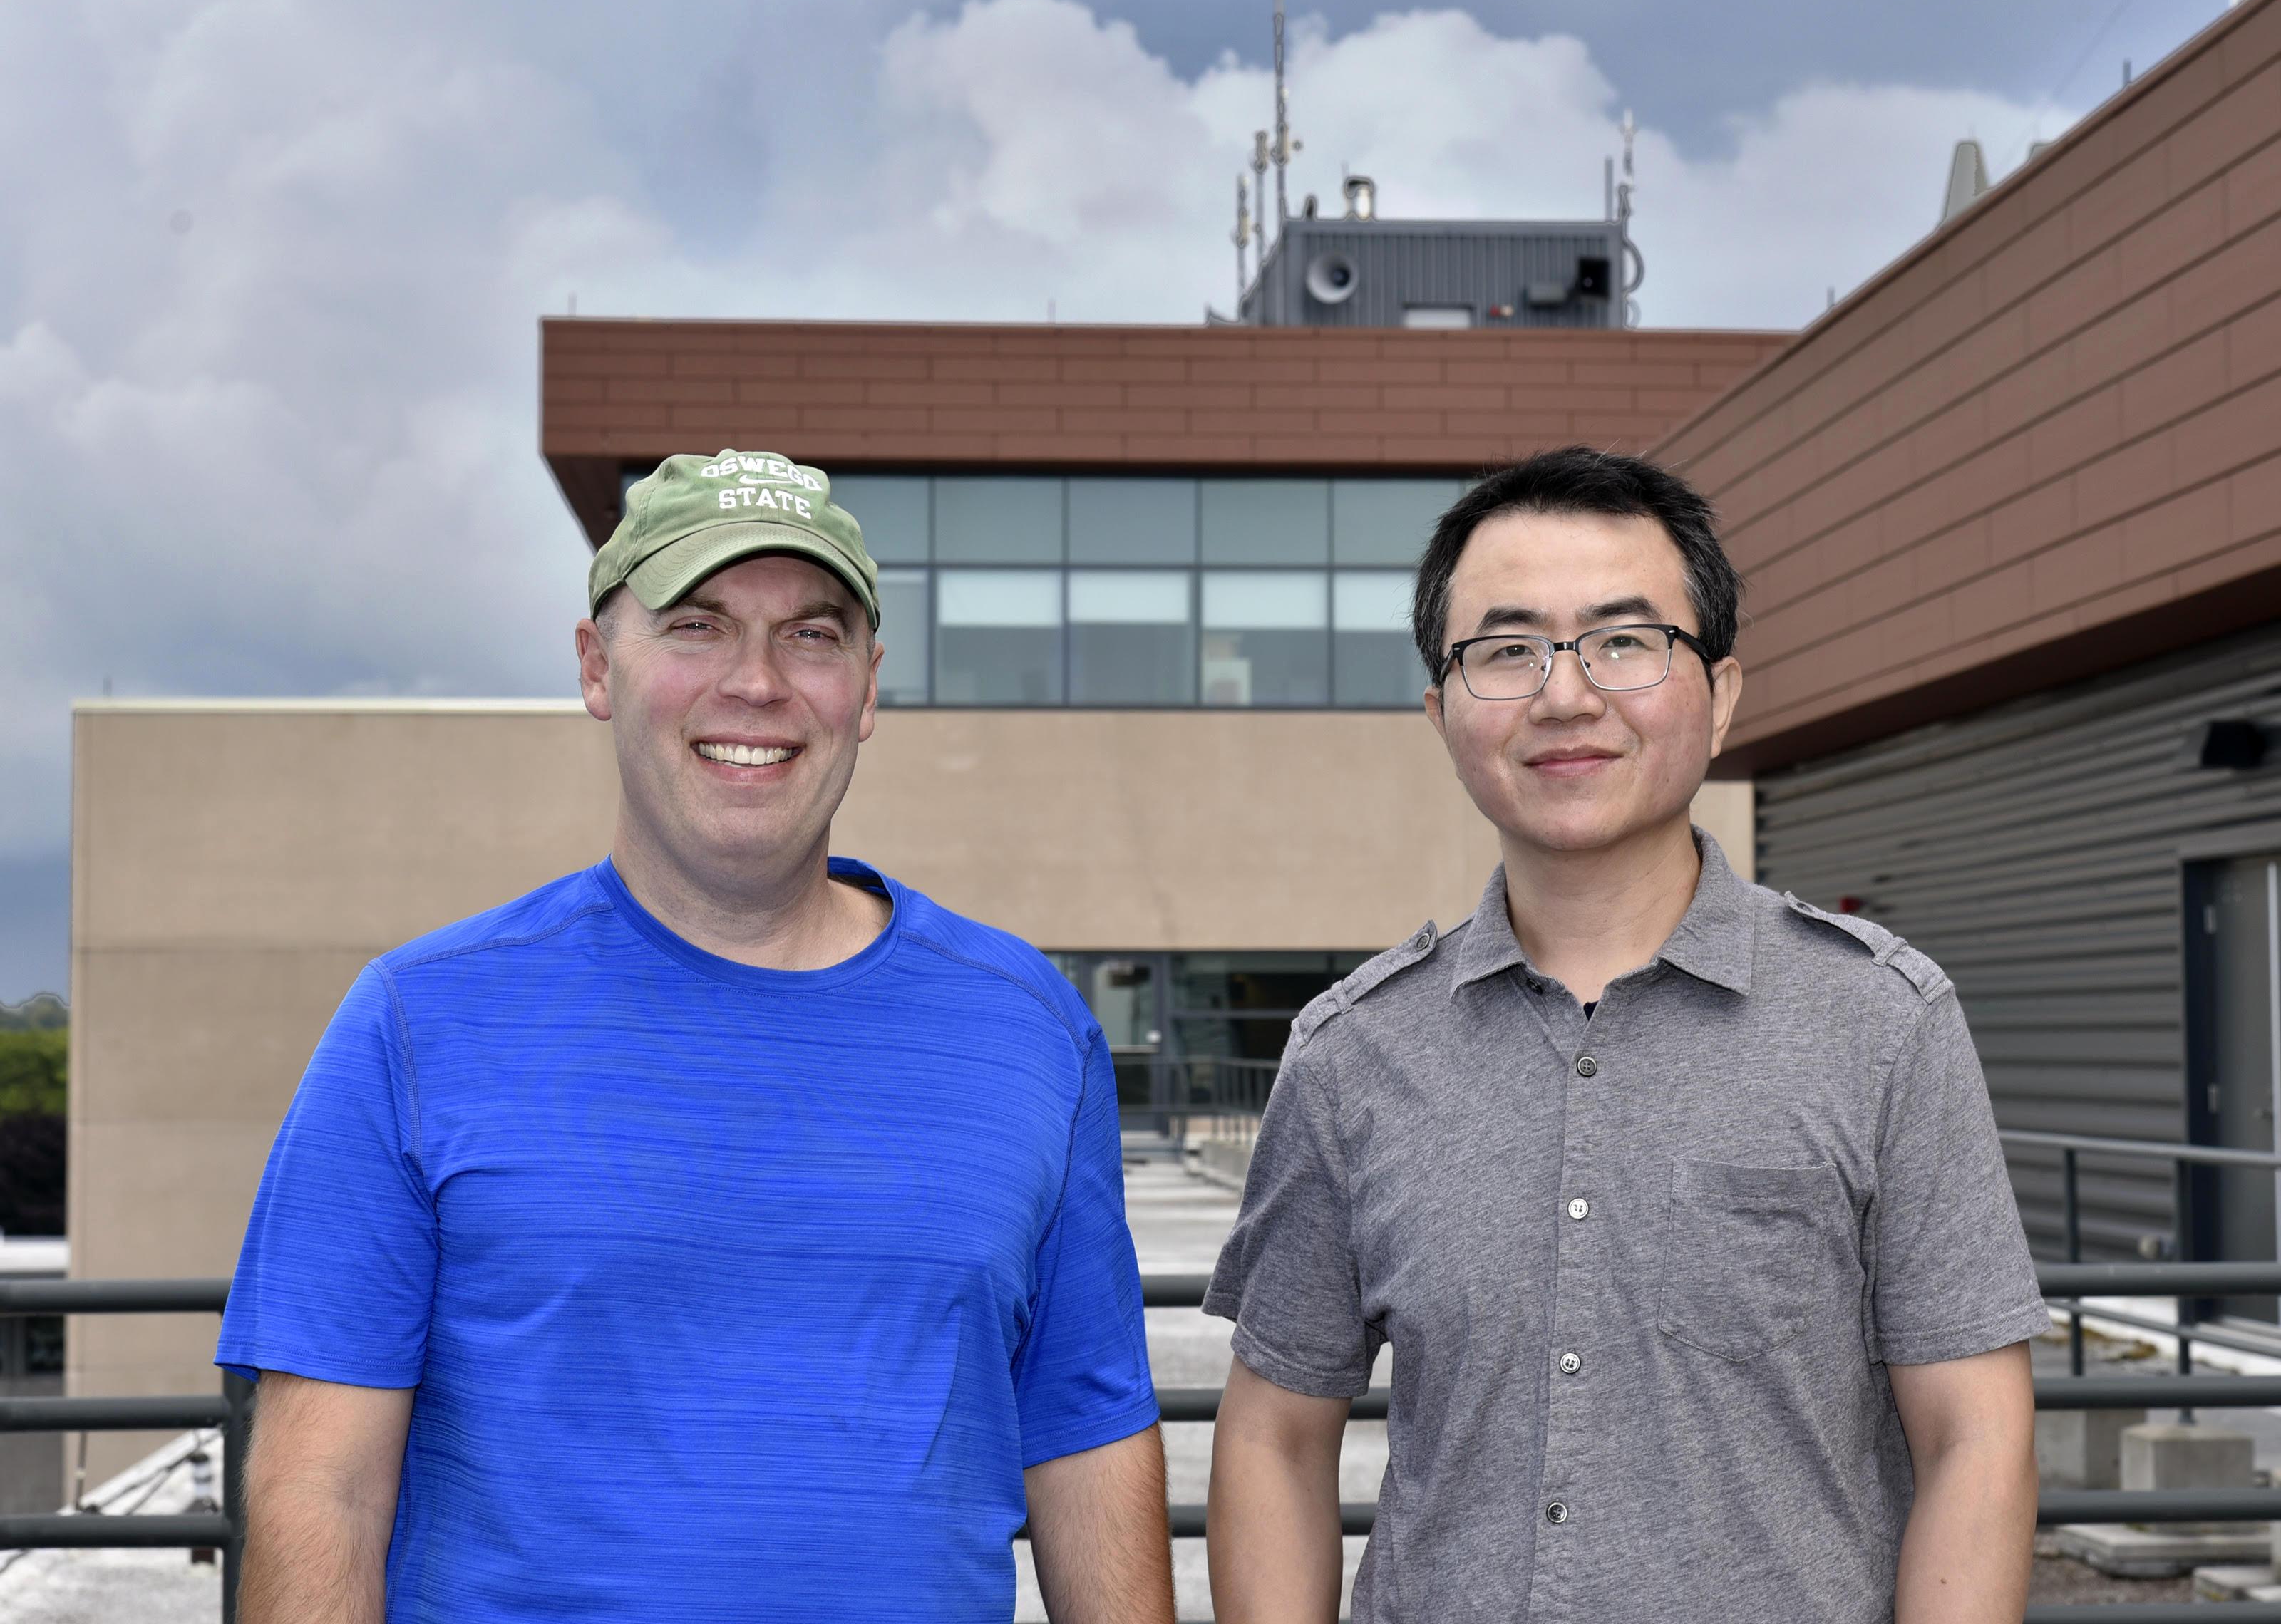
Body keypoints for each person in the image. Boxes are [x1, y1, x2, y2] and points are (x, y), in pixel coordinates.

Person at [217, 450, 1175, 1623]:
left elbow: (1088, 1449)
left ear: (868, 688)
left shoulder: (1030, 1032)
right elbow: (323, 1491)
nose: (758, 683)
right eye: (698, 625)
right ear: (596, 668)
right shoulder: (418, 1024)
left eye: (813, 635)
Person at [1203, 448, 2044, 1624]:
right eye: (1507, 650)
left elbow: (1976, 1436)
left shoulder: (1881, 1023)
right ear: (1441, 709)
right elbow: (1275, 1442)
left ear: (1723, 692)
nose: (1564, 695)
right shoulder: (1351, 1056)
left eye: (1624, 641)